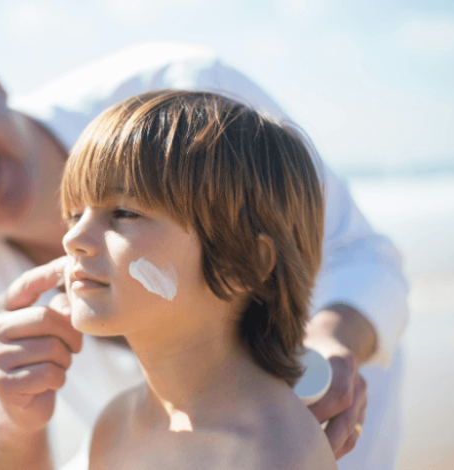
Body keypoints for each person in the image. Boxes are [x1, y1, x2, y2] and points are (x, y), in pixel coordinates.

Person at [0, 33, 408, 470]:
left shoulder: (191, 103)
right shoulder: (112, 426)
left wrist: (330, 348)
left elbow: (358, 255)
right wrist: (15, 419)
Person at [60, 89, 337, 470]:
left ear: (241, 263)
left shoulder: (274, 453)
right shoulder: (116, 425)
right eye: (75, 215)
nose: (72, 238)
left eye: (124, 212)